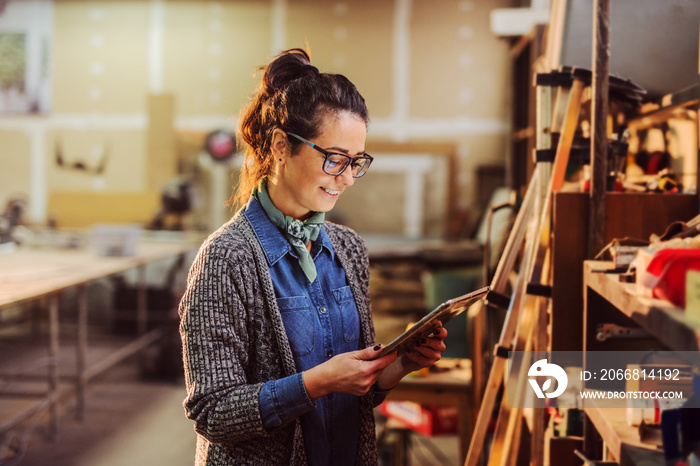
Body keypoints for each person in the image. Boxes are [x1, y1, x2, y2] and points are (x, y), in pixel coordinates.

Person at [179, 47, 448, 466]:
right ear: (282, 146)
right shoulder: (225, 259)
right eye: (334, 159)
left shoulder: (348, 249)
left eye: (356, 162)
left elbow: (356, 392)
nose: (346, 178)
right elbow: (213, 412)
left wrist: (400, 365)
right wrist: (315, 383)